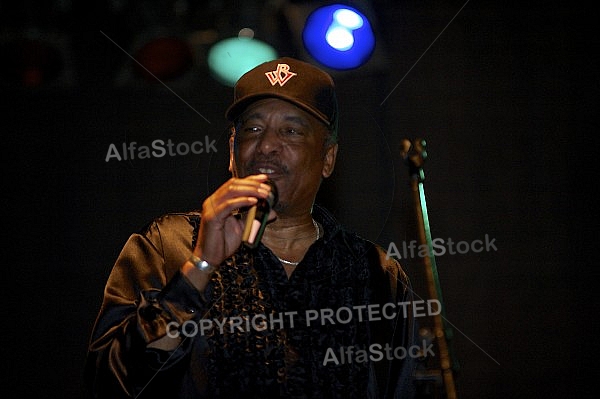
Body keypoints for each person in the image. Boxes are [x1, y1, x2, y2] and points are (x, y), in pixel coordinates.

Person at [84, 57, 419, 398]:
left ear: (328, 158)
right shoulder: (166, 245)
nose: (267, 146)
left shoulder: (375, 273)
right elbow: (110, 384)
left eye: (291, 131)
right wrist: (198, 269)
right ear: (232, 152)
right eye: (253, 129)